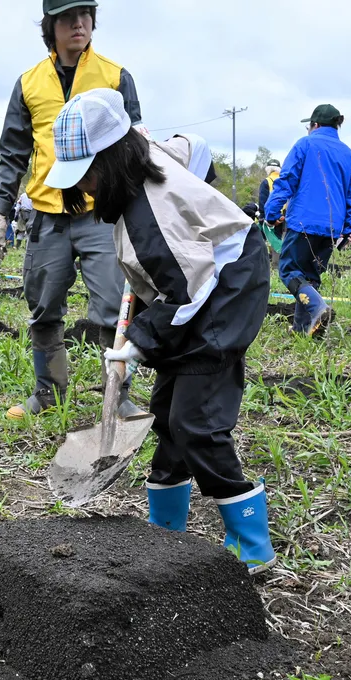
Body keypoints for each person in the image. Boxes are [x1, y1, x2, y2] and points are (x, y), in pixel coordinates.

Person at [46, 89, 275, 573]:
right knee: (169, 414)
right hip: (192, 284)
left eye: (87, 173)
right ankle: (164, 532)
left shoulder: (151, 217)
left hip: (227, 288)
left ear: (112, 159)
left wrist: (137, 343)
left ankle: (251, 543)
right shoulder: (144, 155)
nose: (84, 186)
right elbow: (195, 146)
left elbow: (187, 291)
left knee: (196, 421)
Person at [0, 0, 146, 421]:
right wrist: (0, 210)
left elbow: (134, 143)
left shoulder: (115, 77)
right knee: (43, 305)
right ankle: (48, 392)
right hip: (47, 212)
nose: (79, 23)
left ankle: (118, 395)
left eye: (85, 14)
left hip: (102, 212)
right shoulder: (29, 82)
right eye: (67, 17)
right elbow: (12, 153)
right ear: (51, 25)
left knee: (113, 307)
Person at [264, 104, 351, 336]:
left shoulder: (305, 144)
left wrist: (271, 212)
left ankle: (318, 307)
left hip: (303, 222)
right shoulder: (349, 155)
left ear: (315, 125)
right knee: (310, 276)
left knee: (289, 270)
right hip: (331, 228)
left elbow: (286, 180)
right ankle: (303, 328)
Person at [257, 159, 283, 238]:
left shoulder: (266, 182)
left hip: (269, 218)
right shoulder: (284, 181)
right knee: (279, 241)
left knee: (267, 241)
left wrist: (262, 217)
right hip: (282, 218)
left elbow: (262, 202)